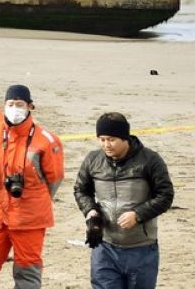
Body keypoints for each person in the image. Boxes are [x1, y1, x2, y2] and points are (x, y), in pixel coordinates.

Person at [0, 85, 64, 289]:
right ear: (4, 105)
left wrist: (34, 200)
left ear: (30, 106)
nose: (15, 108)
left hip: (29, 220)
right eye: (11, 104)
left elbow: (55, 178)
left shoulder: (46, 140)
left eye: (20, 104)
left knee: (27, 274)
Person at [74, 112, 174, 289]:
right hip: (104, 247)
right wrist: (90, 210)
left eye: (111, 139)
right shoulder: (92, 160)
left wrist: (138, 214)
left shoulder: (150, 160)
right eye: (102, 139)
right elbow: (81, 190)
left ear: (125, 137)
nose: (106, 145)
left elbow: (165, 195)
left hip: (142, 248)